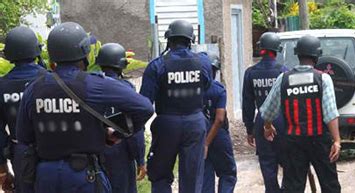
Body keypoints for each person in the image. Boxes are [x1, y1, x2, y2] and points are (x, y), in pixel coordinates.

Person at [15, 22, 154, 193]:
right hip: (83, 176)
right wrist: (116, 135)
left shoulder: (34, 88)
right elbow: (145, 108)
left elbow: (23, 136)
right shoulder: (94, 85)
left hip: (46, 176)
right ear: (85, 53)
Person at [260, 35, 342, 193]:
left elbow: (268, 110)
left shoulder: (283, 78)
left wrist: (268, 126)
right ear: (316, 55)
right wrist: (337, 140)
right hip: (319, 141)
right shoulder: (322, 78)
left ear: (298, 54)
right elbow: (330, 113)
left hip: (293, 142)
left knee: (293, 187)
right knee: (329, 185)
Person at [140, 19, 212, 193]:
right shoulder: (203, 62)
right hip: (195, 123)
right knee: (192, 179)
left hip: (167, 124)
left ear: (168, 39)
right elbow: (207, 86)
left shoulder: (157, 65)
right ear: (191, 40)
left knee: (160, 175)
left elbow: (144, 103)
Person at [0, 26, 47, 193]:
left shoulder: (2, 85)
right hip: (53, 151)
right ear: (36, 50)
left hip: (21, 153)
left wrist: (4, 171)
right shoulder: (51, 80)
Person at [96, 43, 147, 193]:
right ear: (122, 65)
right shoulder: (126, 89)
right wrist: (140, 159)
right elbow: (135, 130)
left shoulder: (89, 86)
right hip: (121, 154)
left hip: (95, 153)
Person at [242, 32, 287, 193]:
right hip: (282, 121)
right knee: (287, 161)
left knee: (267, 163)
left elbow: (247, 103)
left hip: (261, 121)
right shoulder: (283, 71)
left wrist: (249, 128)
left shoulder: (251, 72)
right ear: (277, 50)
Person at [202, 53, 237, 193]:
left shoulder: (194, 90)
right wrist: (208, 142)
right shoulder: (218, 88)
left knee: (206, 172)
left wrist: (204, 143)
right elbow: (220, 119)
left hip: (199, 133)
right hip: (218, 134)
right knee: (227, 173)